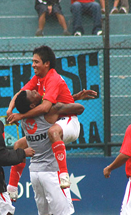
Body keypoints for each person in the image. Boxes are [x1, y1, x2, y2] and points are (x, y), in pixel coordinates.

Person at [13, 90, 84, 215]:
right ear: (32, 106)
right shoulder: (49, 112)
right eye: (33, 94)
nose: (37, 92)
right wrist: (66, 104)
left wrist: (71, 98)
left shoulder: (24, 120)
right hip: (52, 172)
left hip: (35, 171)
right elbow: (79, 109)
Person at [7, 46, 90, 191]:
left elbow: (45, 108)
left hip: (68, 121)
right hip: (54, 121)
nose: (33, 65)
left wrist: (21, 115)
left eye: (36, 61)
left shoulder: (53, 78)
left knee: (53, 132)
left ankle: (63, 175)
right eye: (33, 61)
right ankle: (12, 188)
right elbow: (20, 93)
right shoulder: (38, 78)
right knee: (18, 145)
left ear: (47, 63)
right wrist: (9, 109)